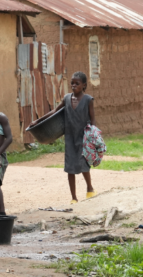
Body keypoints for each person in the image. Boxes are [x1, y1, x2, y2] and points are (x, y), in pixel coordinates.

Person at [31, 71, 96, 204]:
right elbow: (54, 111)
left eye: (77, 84)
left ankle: (89, 188)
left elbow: (93, 118)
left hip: (84, 137)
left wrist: (93, 135)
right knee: (70, 167)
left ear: (84, 85)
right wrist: (38, 121)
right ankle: (74, 197)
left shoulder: (88, 100)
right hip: (70, 137)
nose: (73, 85)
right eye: (72, 83)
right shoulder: (67, 98)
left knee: (83, 164)